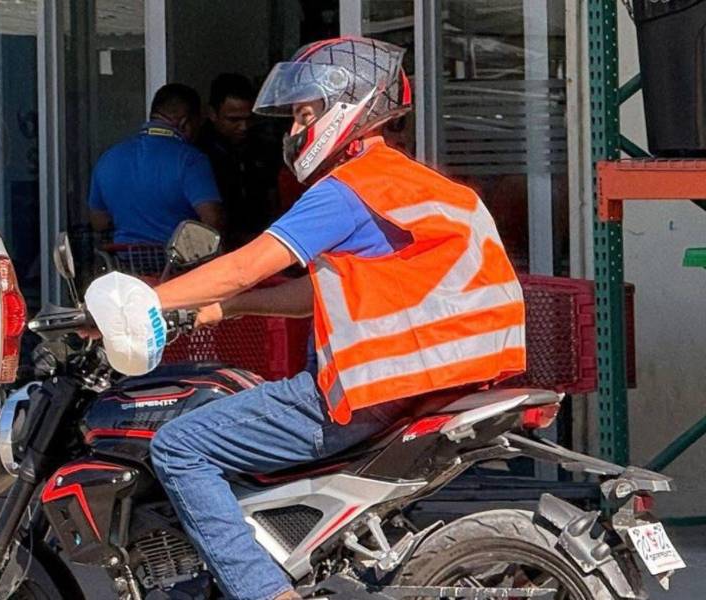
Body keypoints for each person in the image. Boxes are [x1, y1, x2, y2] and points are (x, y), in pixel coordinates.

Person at [92, 37, 526, 600]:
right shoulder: (408, 183)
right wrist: (223, 309)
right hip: (432, 380)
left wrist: (151, 300)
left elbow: (248, 263)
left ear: (346, 108)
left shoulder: (349, 189)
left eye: (304, 113)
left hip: (368, 391)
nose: (294, 130)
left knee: (180, 445)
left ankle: (266, 592)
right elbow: (312, 293)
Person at [89, 83, 223, 245]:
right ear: (185, 123)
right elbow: (213, 220)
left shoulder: (109, 157)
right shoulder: (190, 159)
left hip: (125, 262)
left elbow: (99, 221)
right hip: (177, 266)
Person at [198, 73, 282, 249]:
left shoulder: (262, 147)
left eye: (249, 119)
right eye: (233, 120)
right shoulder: (197, 154)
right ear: (212, 114)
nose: (243, 127)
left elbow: (272, 196)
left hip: (263, 242)